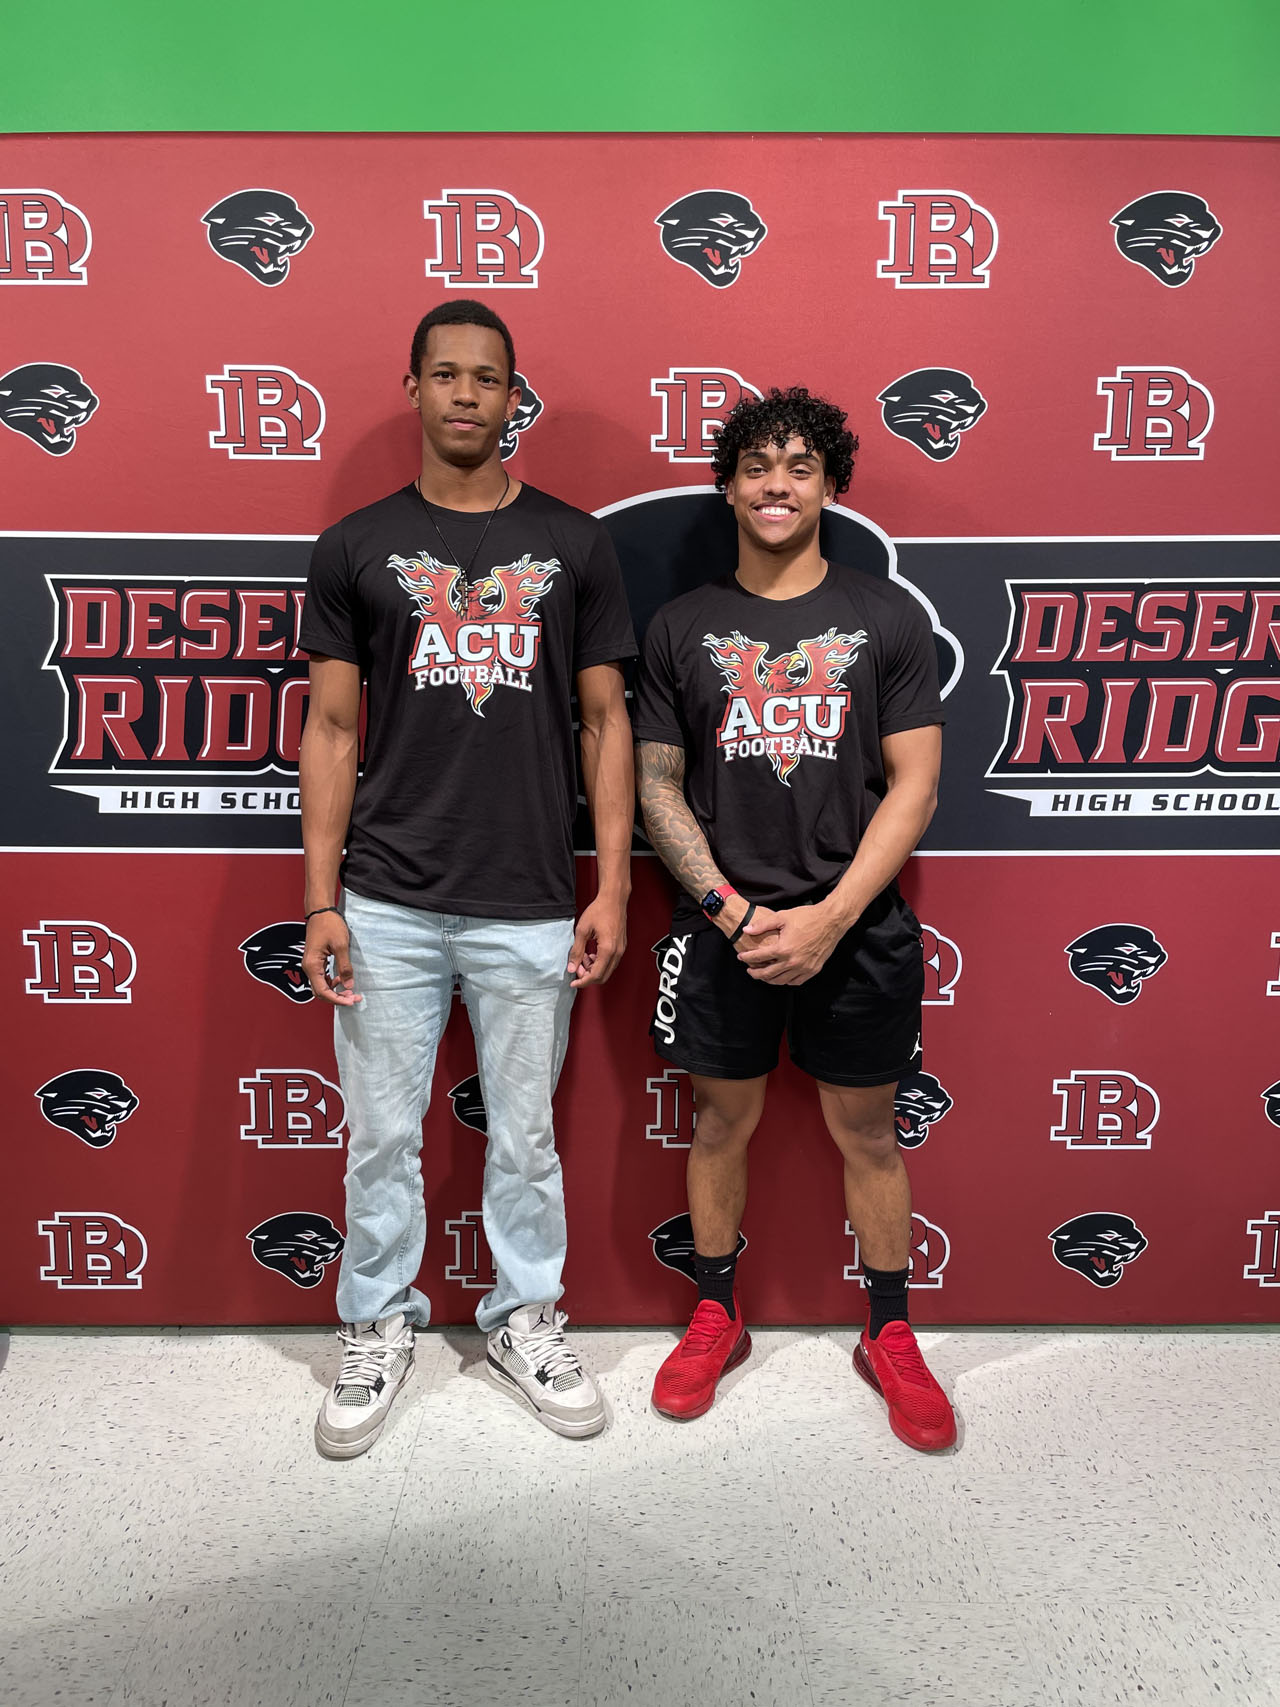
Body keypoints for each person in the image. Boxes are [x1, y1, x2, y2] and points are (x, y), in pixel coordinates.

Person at [298, 299, 635, 1457]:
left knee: (525, 1140)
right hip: (386, 897)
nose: (463, 394)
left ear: (510, 396)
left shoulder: (574, 545)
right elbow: (331, 728)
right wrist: (321, 898)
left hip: (529, 897)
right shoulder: (355, 545)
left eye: (485, 378)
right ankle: (376, 1324)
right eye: (443, 374)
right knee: (379, 1140)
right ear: (413, 388)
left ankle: (523, 1320)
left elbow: (605, 724)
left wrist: (611, 887)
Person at [633, 386, 956, 1451]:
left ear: (829, 486)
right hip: (722, 928)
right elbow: (657, 786)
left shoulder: (885, 617)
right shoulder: (679, 627)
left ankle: (889, 1332)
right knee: (719, 1123)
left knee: (867, 1132)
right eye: (757, 466)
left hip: (855, 929)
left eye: (800, 467)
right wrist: (730, 913)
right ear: (729, 486)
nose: (777, 484)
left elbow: (913, 787)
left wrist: (829, 917)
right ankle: (715, 1314)